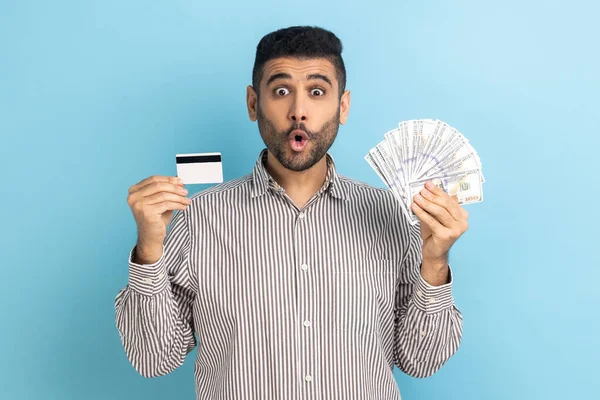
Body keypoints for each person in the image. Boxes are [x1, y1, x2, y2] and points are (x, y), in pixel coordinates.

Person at [115, 25, 468, 400]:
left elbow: (421, 361)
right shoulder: (195, 218)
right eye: (281, 91)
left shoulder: (392, 214)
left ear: (342, 106)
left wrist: (435, 262)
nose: (298, 111)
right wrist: (148, 253)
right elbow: (153, 359)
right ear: (253, 104)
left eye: (317, 92)